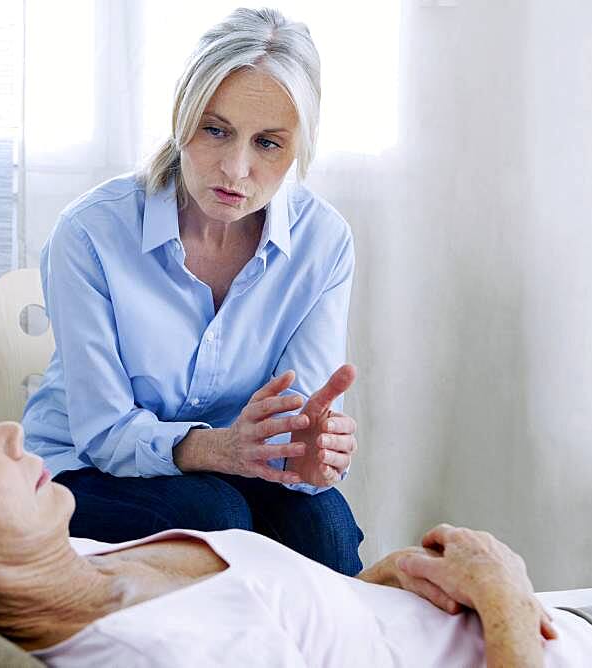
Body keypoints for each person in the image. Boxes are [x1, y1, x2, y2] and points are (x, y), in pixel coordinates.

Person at [0, 395, 592, 667]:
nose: (13, 430)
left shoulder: (76, 561)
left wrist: (384, 583)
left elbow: (297, 620)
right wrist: (507, 598)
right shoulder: (158, 658)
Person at [22, 7, 365, 574]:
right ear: (182, 117)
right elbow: (104, 432)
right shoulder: (90, 233)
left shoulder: (323, 243)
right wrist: (221, 448)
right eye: (215, 130)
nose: (235, 169)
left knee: (322, 528)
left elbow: (296, 418)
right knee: (216, 517)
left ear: (299, 147)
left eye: (269, 144)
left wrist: (309, 456)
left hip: (237, 471)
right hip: (88, 468)